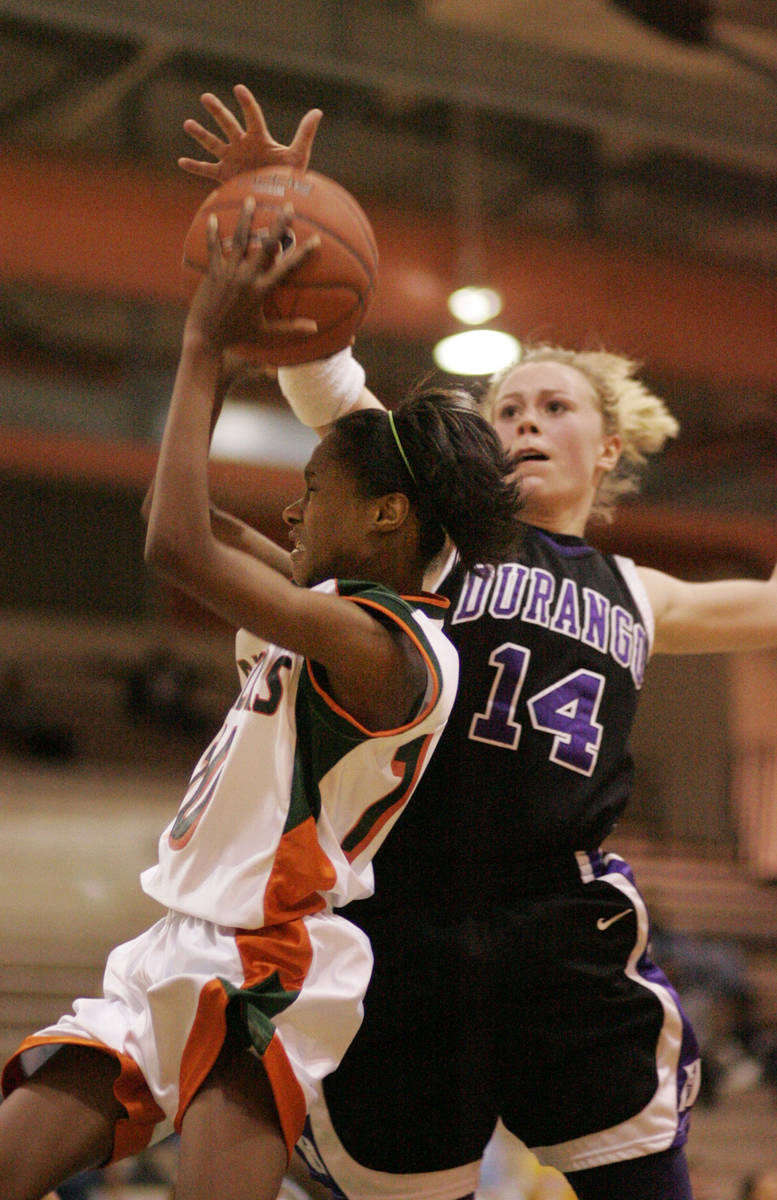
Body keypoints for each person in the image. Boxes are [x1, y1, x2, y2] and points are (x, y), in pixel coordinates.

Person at [178, 89, 777, 1200]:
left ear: (607, 454)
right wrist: (283, 219)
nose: (525, 424)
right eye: (505, 411)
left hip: (563, 927)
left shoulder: (639, 592)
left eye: (553, 408)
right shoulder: (437, 530)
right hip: (401, 918)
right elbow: (331, 385)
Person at [0, 161, 520, 1200]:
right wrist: (232, 364)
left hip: (269, 961)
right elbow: (168, 506)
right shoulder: (330, 611)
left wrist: (202, 345)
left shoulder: (391, 645)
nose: (291, 514)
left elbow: (178, 551)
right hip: (170, 942)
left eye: (311, 491)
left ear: (386, 517)